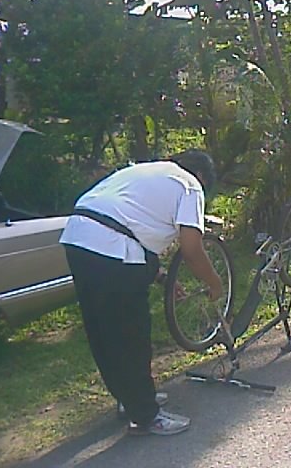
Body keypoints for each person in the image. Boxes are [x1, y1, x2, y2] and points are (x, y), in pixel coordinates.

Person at [60, 149, 223, 435]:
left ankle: (130, 399)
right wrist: (214, 282)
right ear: (202, 176)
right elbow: (191, 248)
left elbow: (129, 224)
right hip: (112, 247)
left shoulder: (145, 171)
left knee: (103, 332)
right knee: (131, 334)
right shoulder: (189, 184)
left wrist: (162, 278)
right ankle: (147, 416)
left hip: (77, 237)